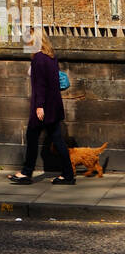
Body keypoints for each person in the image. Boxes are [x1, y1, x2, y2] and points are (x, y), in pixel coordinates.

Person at [8, 34, 75, 185]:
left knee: (32, 137)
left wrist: (39, 106)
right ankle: (68, 175)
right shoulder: (51, 57)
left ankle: (26, 173)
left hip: (44, 108)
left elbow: (40, 85)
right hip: (54, 106)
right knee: (57, 141)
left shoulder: (38, 58)